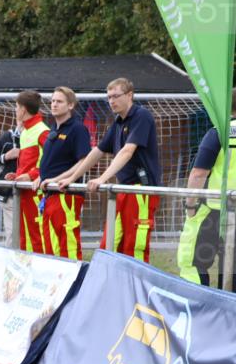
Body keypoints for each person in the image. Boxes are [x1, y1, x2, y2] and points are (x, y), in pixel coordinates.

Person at [54, 78, 162, 263]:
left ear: (130, 95)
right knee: (109, 244)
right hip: (124, 190)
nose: (112, 101)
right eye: (109, 97)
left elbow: (127, 151)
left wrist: (102, 178)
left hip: (140, 192)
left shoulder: (141, 116)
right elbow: (97, 151)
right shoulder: (118, 122)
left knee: (134, 245)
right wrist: (72, 178)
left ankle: (135, 289)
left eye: (116, 96)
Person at [176, 89, 235, 290]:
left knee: (192, 261)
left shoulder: (219, 132)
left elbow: (198, 174)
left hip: (215, 210)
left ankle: (199, 310)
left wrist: (190, 206)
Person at [35, 87, 92, 260]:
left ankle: (74, 282)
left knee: (67, 244)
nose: (54, 104)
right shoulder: (53, 129)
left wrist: (57, 179)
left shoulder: (77, 129)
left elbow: (83, 161)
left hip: (66, 195)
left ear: (70, 105)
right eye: (52, 101)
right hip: (49, 194)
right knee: (50, 244)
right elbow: (51, 162)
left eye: (59, 101)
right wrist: (40, 177)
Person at [4, 90, 49, 253]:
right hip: (25, 192)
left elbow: (48, 163)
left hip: (35, 193)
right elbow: (31, 161)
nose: (15, 111)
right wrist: (17, 175)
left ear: (23, 109)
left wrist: (30, 176)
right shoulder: (27, 131)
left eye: (16, 107)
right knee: (25, 235)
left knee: (37, 235)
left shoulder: (42, 130)